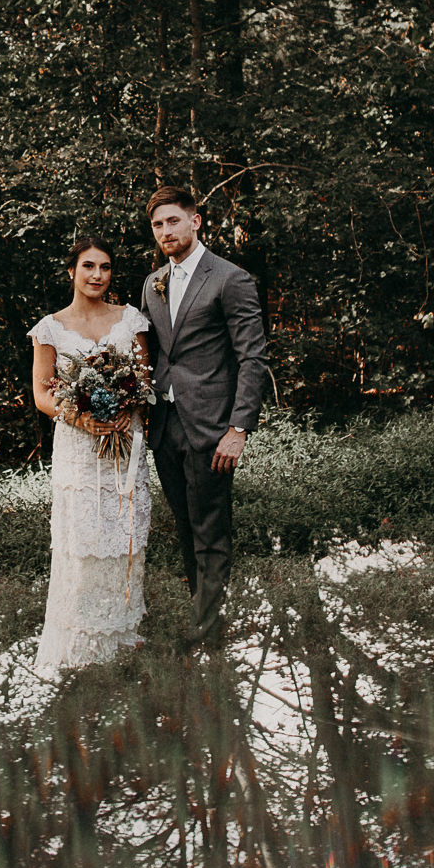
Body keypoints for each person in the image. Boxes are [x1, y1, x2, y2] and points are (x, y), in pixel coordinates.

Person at [139, 185, 267, 647]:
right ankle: (206, 619)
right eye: (158, 224)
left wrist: (238, 429)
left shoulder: (230, 278)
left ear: (195, 221)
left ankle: (206, 633)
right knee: (186, 527)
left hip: (213, 428)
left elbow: (252, 359)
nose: (166, 231)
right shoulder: (152, 284)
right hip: (165, 425)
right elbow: (154, 354)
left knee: (211, 529)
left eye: (174, 220)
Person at [28, 235, 154, 673]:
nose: (97, 275)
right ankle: (80, 642)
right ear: (72, 272)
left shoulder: (129, 319)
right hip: (78, 450)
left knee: (124, 537)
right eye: (88, 266)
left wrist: (128, 410)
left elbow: (143, 379)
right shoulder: (50, 328)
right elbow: (43, 394)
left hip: (123, 444)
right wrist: (82, 418)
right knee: (82, 541)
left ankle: (122, 635)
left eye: (104, 268)